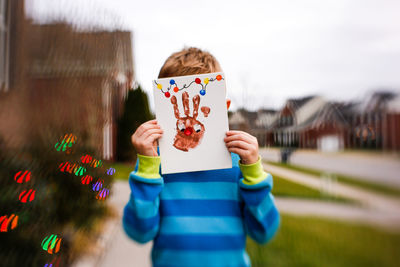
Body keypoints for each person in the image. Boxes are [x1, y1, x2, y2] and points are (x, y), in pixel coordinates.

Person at [122, 47, 280, 267]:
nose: (188, 123)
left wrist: (253, 173)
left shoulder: (238, 164)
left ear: (223, 108)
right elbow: (139, 232)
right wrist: (147, 168)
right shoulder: (153, 162)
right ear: (161, 110)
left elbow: (265, 231)